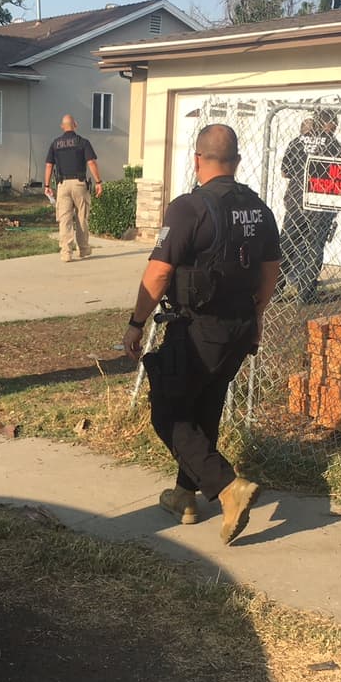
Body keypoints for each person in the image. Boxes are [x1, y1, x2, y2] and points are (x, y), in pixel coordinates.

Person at [123, 124, 281, 545]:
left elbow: (159, 272)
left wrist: (137, 322)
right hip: (239, 326)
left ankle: (228, 488)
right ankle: (184, 497)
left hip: (196, 329)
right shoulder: (260, 209)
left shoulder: (188, 208)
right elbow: (270, 272)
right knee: (204, 407)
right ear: (237, 162)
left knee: (169, 414)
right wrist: (257, 316)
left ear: (197, 160)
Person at [278, 108, 341, 301]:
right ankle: (305, 294)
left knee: (287, 245)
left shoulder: (297, 142)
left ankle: (275, 289)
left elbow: (285, 172)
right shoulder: (336, 145)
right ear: (328, 123)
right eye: (334, 124)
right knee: (314, 246)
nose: (336, 128)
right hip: (320, 203)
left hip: (296, 201)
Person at [44, 115, 103, 262]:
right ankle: (83, 250)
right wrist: (98, 182)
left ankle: (66, 253)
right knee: (81, 217)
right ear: (75, 125)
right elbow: (91, 163)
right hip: (79, 184)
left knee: (65, 219)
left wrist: (46, 185)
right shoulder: (83, 142)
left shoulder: (55, 144)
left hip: (62, 185)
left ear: (62, 126)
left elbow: (49, 165)